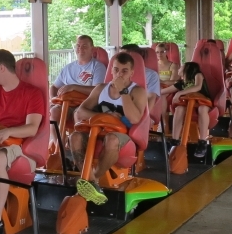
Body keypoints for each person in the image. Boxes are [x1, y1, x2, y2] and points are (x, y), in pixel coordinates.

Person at [70, 52, 148, 203]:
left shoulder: (137, 91)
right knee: (74, 137)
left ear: (132, 73)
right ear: (111, 70)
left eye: (124, 71)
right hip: (96, 132)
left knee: (111, 139)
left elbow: (134, 118)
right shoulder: (100, 88)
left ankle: (94, 179)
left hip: (121, 136)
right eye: (116, 70)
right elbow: (80, 112)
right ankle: (89, 181)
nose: (119, 74)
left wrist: (123, 91)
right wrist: (107, 116)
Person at [0, 50, 46, 234]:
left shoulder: (32, 93)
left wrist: (8, 131)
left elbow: (32, 128)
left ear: (1, 68)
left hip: (18, 147)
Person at [49, 35, 106, 125]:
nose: (80, 49)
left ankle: (75, 138)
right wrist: (53, 99)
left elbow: (97, 91)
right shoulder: (67, 68)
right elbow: (54, 87)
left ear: (92, 49)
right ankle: (55, 139)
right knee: (54, 111)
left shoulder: (98, 66)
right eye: (78, 46)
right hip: (66, 105)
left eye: (84, 46)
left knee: (78, 115)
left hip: (87, 106)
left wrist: (74, 87)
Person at [170, 62, 212, 159]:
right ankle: (175, 141)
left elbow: (198, 86)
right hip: (188, 105)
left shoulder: (198, 75)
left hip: (202, 102)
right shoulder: (181, 83)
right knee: (179, 108)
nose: (179, 68)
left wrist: (180, 93)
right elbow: (163, 91)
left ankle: (202, 142)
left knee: (202, 109)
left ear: (187, 68)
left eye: (181, 67)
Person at [121, 44, 160, 113]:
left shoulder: (151, 75)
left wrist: (144, 118)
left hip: (137, 111)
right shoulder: (116, 73)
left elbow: (151, 98)